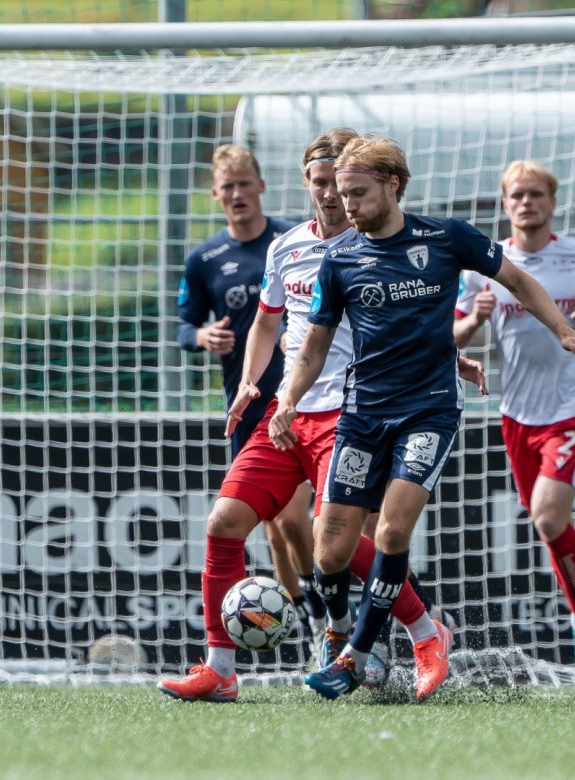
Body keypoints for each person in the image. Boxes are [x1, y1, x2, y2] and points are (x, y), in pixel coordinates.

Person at [271, 135, 575, 701]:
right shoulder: (339, 261)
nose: (347, 205)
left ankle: (359, 656)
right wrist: (287, 400)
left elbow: (518, 280)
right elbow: (313, 348)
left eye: (357, 192)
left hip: (429, 410)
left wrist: (565, 331)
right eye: (342, 194)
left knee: (391, 530)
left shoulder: (446, 237)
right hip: (363, 415)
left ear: (392, 185)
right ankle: (357, 634)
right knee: (328, 552)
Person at [159, 129, 453, 703]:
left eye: (339, 185)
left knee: (333, 541)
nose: (330, 195)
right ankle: (221, 668)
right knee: (223, 523)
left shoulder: (375, 247)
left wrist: (450, 354)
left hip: (353, 410)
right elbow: (268, 321)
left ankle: (421, 630)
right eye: (320, 183)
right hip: (287, 411)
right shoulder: (286, 247)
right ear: (307, 184)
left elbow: (414, 320)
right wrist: (251, 381)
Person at [453, 159, 575, 693]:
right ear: (505, 205)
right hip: (517, 415)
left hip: (573, 408)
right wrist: (475, 318)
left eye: (536, 194)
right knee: (549, 526)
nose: (527, 202)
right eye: (517, 195)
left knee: (549, 517)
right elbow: (452, 340)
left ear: (553, 202)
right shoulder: (484, 266)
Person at [175, 145, 324, 635]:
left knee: (298, 521)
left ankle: (330, 611)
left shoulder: (293, 241)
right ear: (215, 194)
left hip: (305, 401)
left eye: (244, 184)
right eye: (228, 187)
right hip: (249, 404)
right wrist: (201, 336)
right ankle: (311, 619)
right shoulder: (204, 259)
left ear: (261, 186)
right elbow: (183, 325)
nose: (237, 194)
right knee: (276, 528)